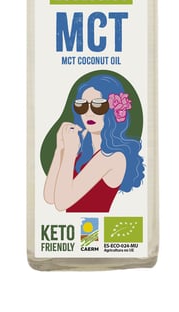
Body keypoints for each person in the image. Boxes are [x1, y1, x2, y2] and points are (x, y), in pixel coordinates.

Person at [43, 73, 144, 212]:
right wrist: (60, 148)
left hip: (94, 224)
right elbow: (50, 197)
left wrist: (70, 152)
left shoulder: (112, 157)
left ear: (112, 110)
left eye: (98, 106)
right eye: (82, 106)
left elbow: (61, 203)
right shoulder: (83, 153)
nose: (88, 113)